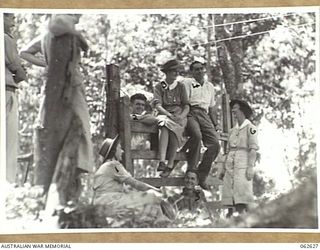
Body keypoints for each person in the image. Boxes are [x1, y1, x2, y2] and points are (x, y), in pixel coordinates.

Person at [20, 14, 93, 207]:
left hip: (61, 86)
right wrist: (49, 64)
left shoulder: (58, 33)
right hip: (66, 88)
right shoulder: (59, 31)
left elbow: (25, 52)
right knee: (77, 130)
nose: (79, 16)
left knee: (77, 131)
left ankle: (69, 184)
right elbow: (24, 52)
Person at [92, 135, 171, 221]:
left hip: (101, 203)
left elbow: (126, 188)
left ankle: (162, 221)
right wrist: (155, 190)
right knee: (152, 196)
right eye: (119, 148)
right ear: (113, 151)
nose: (122, 151)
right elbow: (135, 184)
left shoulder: (105, 167)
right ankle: (165, 222)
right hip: (110, 202)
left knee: (149, 203)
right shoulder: (114, 166)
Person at [182, 61, 221, 190]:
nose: (199, 71)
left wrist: (215, 124)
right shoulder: (187, 82)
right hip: (191, 112)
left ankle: (201, 175)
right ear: (192, 72)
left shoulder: (210, 86)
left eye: (201, 69)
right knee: (197, 136)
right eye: (196, 69)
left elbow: (211, 108)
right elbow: (185, 102)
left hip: (204, 114)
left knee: (215, 143)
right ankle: (191, 172)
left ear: (205, 71)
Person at [218, 99, 259, 217]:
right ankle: (232, 220)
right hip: (230, 163)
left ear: (242, 110)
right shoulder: (232, 130)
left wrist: (250, 167)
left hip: (243, 163)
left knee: (243, 195)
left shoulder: (251, 128)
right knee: (230, 197)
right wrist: (223, 168)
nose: (233, 112)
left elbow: (253, 149)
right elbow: (227, 150)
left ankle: (249, 219)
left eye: (236, 109)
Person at [153, 59, 189, 178]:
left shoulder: (180, 86)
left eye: (177, 71)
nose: (176, 73)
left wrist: (181, 116)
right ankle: (162, 161)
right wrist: (168, 115)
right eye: (173, 71)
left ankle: (170, 163)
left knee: (175, 130)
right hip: (165, 113)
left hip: (179, 115)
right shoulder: (159, 86)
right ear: (167, 72)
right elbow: (158, 105)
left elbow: (186, 105)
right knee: (164, 124)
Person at [4, 13, 27, 183]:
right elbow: (19, 72)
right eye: (10, 17)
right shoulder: (5, 39)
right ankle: (6, 184)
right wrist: (19, 73)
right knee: (8, 144)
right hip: (6, 92)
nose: (14, 21)